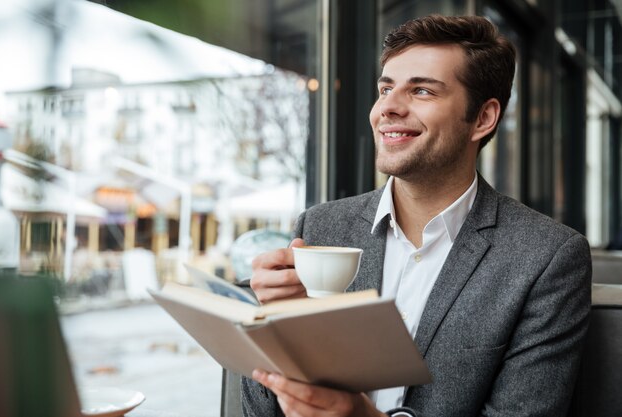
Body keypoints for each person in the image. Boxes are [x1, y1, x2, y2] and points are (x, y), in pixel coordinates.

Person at [241, 14, 592, 417]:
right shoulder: (319, 227)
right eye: (385, 88)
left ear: (483, 118)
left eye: (421, 91)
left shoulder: (547, 257)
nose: (387, 108)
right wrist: (277, 325)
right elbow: (260, 407)